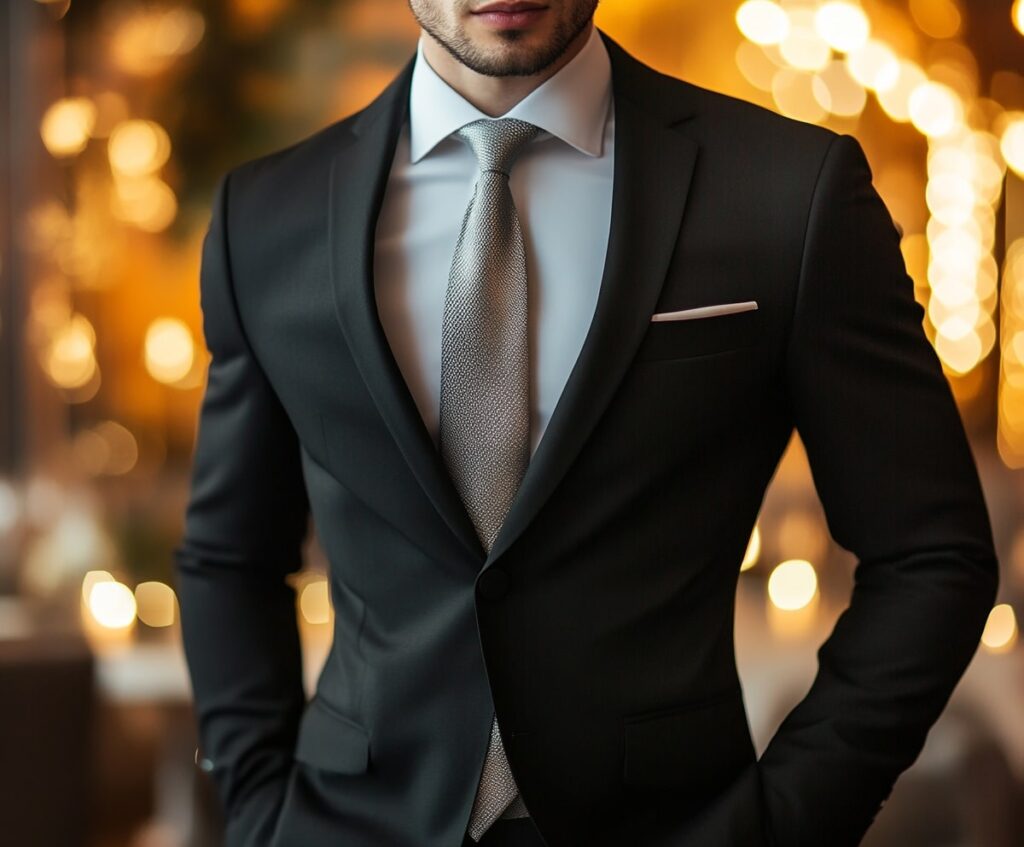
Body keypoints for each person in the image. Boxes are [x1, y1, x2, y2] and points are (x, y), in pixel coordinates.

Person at [173, 2, 1001, 846]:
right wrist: (258, 812)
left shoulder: (789, 191)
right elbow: (229, 557)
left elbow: (934, 554)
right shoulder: (264, 218)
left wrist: (784, 823)